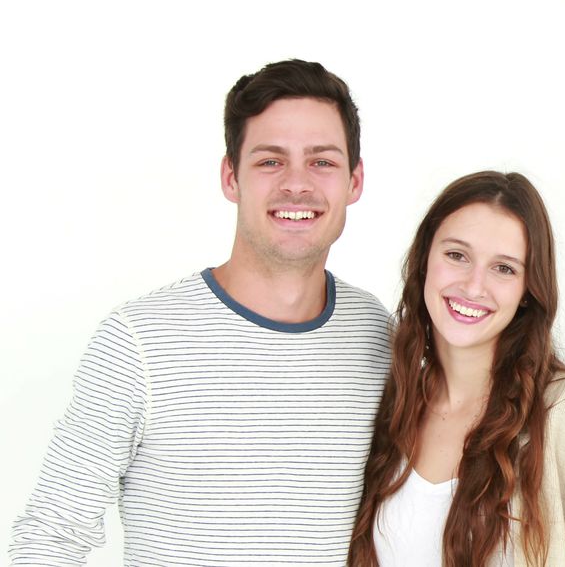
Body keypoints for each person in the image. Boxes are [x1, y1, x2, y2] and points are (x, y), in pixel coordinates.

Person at [10, 59, 392, 566]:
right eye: (270, 161)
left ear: (354, 181)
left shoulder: (377, 334)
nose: (297, 184)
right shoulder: (138, 342)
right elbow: (50, 539)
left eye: (321, 161)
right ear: (230, 177)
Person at [348, 171, 565, 566]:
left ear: (526, 292)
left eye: (504, 268)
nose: (473, 286)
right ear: (424, 262)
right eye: (457, 255)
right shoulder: (393, 402)